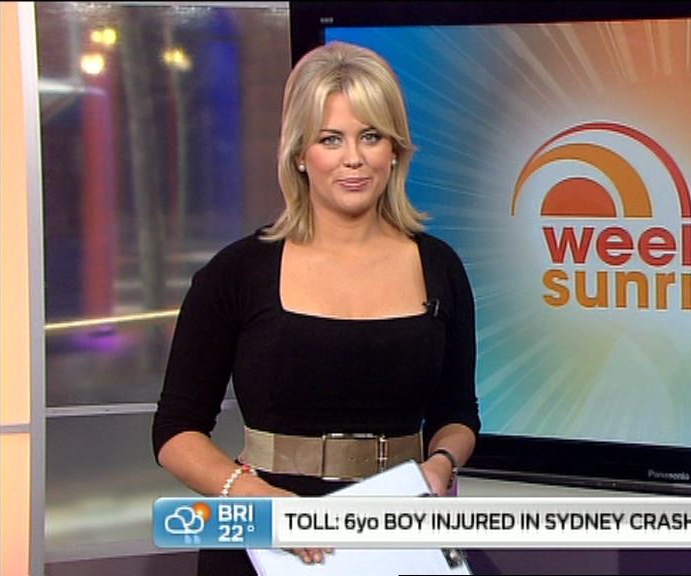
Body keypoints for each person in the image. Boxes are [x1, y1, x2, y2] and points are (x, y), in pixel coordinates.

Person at [152, 40, 480, 575]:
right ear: (300, 154)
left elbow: (458, 414)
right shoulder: (236, 273)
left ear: (394, 150)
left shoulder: (440, 267)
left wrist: (440, 466)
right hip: (270, 541)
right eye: (331, 139)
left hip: (398, 536)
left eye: (371, 136)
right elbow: (175, 431)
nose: (354, 158)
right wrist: (259, 500)